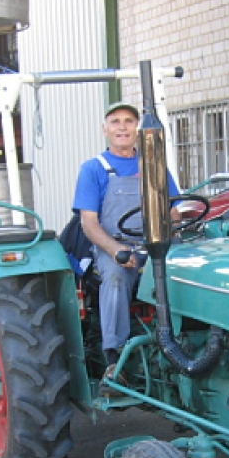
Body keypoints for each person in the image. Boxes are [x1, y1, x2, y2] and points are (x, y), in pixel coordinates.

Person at [72, 102, 181, 392]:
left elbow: (174, 211)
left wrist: (179, 221)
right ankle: (114, 358)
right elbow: (89, 223)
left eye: (129, 121)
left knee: (188, 271)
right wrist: (115, 250)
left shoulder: (153, 165)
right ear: (105, 130)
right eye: (116, 121)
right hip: (114, 249)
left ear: (137, 130)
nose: (122, 127)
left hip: (153, 244)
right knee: (116, 277)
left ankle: (186, 344)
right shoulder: (94, 168)